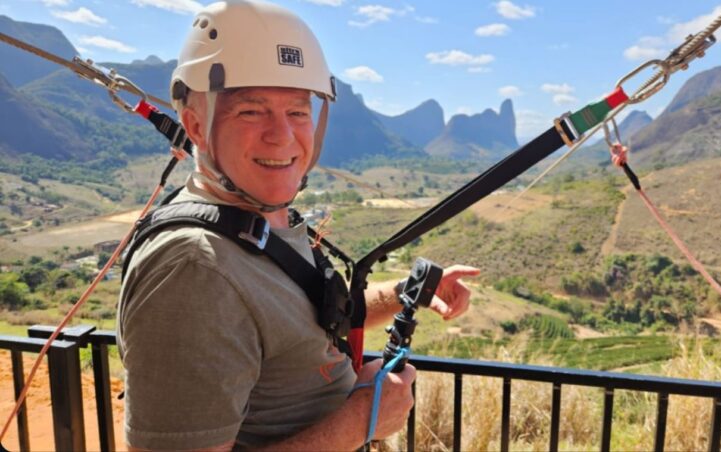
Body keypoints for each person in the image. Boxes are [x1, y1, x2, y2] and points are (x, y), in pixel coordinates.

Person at [117, 1, 480, 450]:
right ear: (195, 125)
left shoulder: (257, 223)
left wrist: (409, 291)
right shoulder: (195, 270)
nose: (282, 136)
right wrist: (360, 421)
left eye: (298, 112)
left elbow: (304, 315)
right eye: (251, 111)